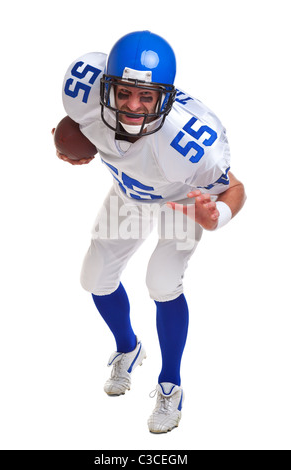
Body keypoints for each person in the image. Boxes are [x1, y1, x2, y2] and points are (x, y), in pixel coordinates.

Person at [56, 30, 246, 433]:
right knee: (94, 277)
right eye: (123, 92)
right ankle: (128, 348)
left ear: (165, 98)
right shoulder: (85, 94)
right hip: (129, 192)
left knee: (161, 283)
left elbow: (234, 187)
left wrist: (219, 216)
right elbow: (75, 128)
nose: (133, 107)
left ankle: (171, 384)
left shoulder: (189, 145)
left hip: (181, 200)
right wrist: (64, 145)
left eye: (147, 97)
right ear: (106, 86)